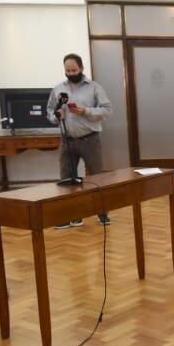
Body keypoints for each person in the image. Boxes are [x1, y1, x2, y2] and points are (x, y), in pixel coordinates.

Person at [46, 53, 113, 228]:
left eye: (74, 70)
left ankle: (102, 213)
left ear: (81, 68)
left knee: (97, 177)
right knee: (66, 179)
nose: (70, 73)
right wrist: (56, 116)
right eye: (67, 70)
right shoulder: (58, 89)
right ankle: (72, 215)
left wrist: (86, 111)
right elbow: (50, 111)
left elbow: (107, 110)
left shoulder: (94, 88)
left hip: (90, 140)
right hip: (67, 140)